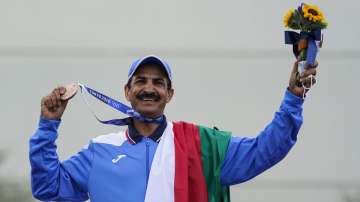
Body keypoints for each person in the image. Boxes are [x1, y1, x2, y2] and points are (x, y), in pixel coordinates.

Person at [29, 55, 317, 202]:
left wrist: (294, 95)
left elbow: (266, 149)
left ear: (170, 94)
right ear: (127, 91)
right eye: (140, 81)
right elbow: (47, 187)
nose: (149, 89)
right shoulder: (99, 150)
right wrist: (48, 125)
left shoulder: (203, 146)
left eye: (158, 83)